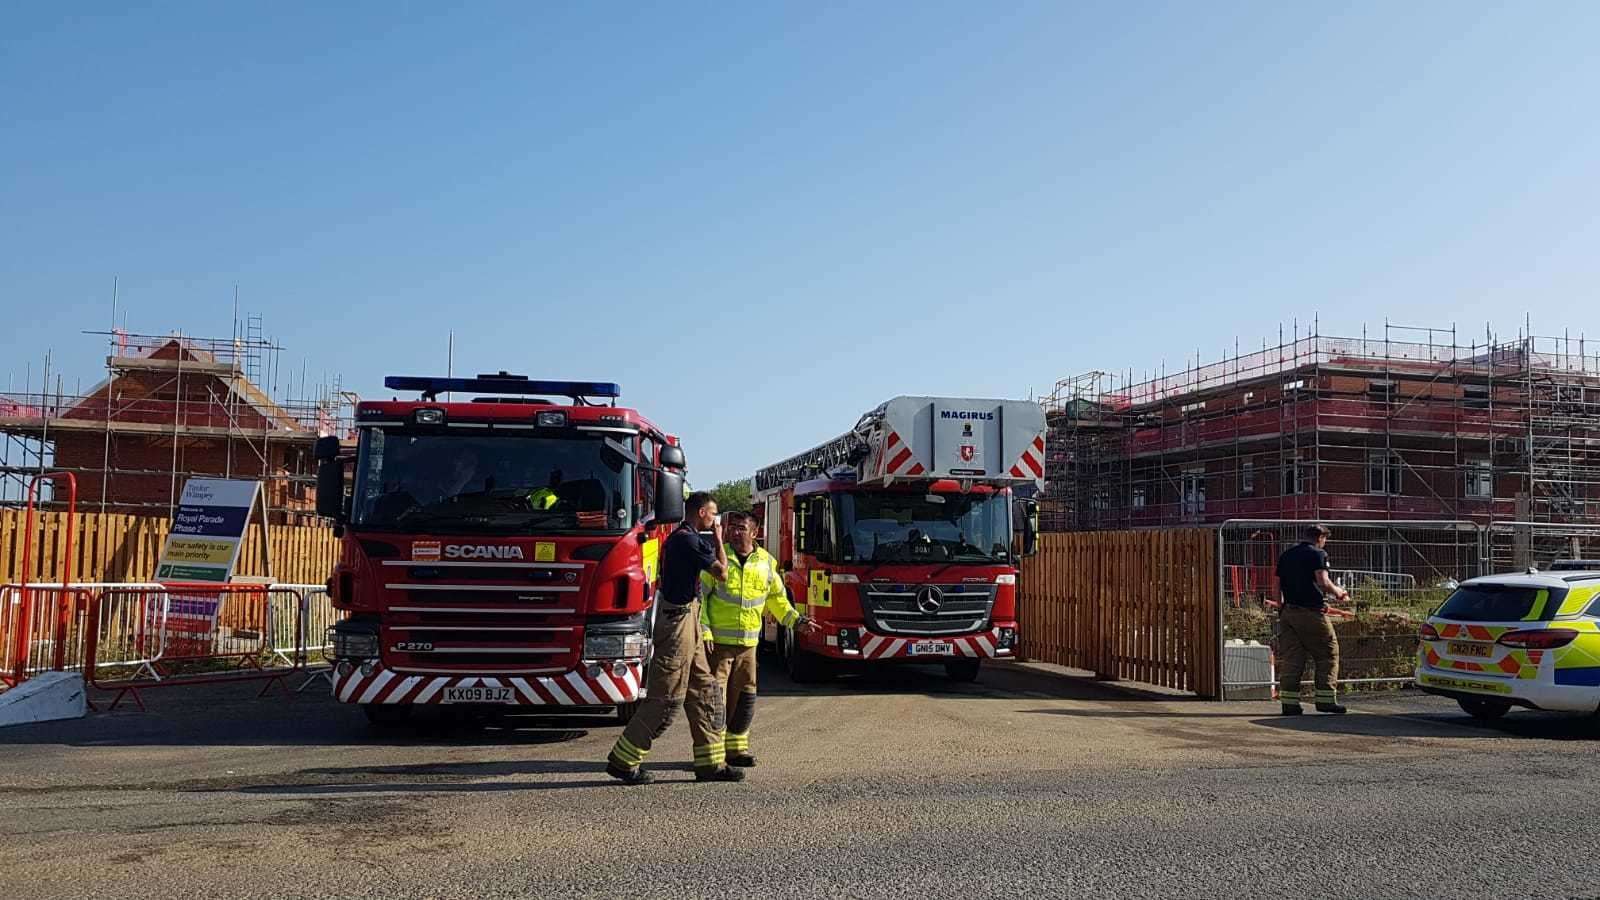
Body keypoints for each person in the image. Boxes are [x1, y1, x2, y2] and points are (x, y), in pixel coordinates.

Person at [605, 492, 742, 784]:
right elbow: (722, 573)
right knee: (666, 696)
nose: (716, 520)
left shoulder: (685, 538)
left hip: (688, 616)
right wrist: (718, 539)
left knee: (704, 689)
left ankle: (710, 763)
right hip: (678, 621)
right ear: (702, 512)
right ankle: (624, 759)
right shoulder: (688, 540)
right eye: (714, 514)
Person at [698, 511, 808, 767]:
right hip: (718, 646)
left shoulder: (767, 563)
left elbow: (778, 601)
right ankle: (710, 756)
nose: (735, 532)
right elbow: (700, 598)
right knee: (714, 700)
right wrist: (704, 630)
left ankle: (736, 751)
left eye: (741, 528)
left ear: (755, 532)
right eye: (732, 527)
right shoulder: (717, 558)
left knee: (744, 698)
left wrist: (796, 622)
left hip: (748, 647)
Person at [1275, 524, 1350, 715]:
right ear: (1321, 537)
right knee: (1328, 654)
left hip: (1288, 612)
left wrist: (1280, 607)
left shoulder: (1287, 554)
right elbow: (1323, 581)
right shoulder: (1318, 554)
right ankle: (1326, 701)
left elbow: (1276, 584)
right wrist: (1340, 593)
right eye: (1325, 539)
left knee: (1293, 658)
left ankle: (1289, 704)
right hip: (1311, 612)